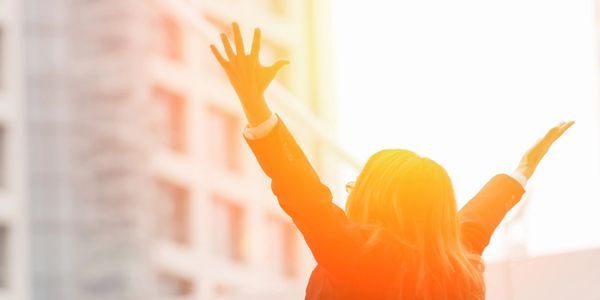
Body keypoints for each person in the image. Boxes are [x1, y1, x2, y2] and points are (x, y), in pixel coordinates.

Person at [210, 23, 574, 300]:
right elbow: (480, 216)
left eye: (357, 185)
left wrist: (254, 103)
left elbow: (304, 193)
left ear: (381, 197)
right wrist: (521, 171)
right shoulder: (456, 267)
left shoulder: (362, 257)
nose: (349, 193)